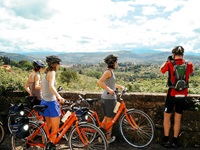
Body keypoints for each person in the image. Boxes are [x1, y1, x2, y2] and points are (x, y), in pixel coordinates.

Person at [160, 46, 194, 148]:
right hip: (183, 95)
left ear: (173, 54)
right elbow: (191, 72)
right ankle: (175, 141)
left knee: (167, 117)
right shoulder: (189, 64)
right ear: (183, 54)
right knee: (178, 118)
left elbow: (161, 70)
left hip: (172, 94)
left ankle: (166, 140)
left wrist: (167, 60)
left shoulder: (170, 63)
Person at [97, 54, 124, 144]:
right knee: (110, 119)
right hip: (109, 99)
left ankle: (101, 136)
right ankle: (107, 138)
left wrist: (119, 86)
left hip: (107, 98)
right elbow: (99, 82)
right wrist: (109, 89)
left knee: (106, 118)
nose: (117, 64)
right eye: (116, 62)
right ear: (113, 63)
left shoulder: (110, 72)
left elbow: (111, 83)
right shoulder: (108, 72)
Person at [40, 55, 65, 148]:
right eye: (58, 63)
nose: (59, 65)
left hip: (44, 101)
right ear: (55, 64)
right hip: (51, 103)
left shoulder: (45, 73)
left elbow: (43, 87)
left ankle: (44, 145)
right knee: (55, 129)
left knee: (48, 127)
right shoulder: (52, 72)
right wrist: (59, 97)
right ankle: (51, 147)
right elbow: (51, 86)